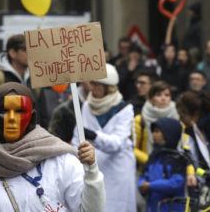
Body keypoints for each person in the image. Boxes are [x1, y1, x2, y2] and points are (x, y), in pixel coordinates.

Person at [0, 82, 105, 211]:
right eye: (4, 111)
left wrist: (91, 171)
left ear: (32, 116)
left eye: (20, 111)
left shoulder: (59, 160)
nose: (12, 119)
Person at [72, 64, 136, 212]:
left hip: (117, 170)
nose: (91, 87)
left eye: (96, 84)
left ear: (109, 87)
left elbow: (117, 143)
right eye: (91, 83)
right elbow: (78, 137)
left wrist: (94, 136)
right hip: (93, 167)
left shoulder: (125, 109)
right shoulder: (87, 105)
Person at [138, 118, 186, 212]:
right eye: (153, 131)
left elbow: (176, 183)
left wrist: (150, 186)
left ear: (168, 134)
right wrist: (141, 185)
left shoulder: (177, 158)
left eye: (157, 131)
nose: (153, 135)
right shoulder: (154, 156)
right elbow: (143, 176)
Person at [136, 81, 180, 163]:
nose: (163, 98)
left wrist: (190, 172)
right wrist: (149, 160)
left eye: (167, 95)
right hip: (145, 167)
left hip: (172, 167)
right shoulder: (140, 119)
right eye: (158, 95)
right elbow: (132, 148)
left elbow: (184, 146)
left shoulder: (177, 118)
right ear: (151, 98)